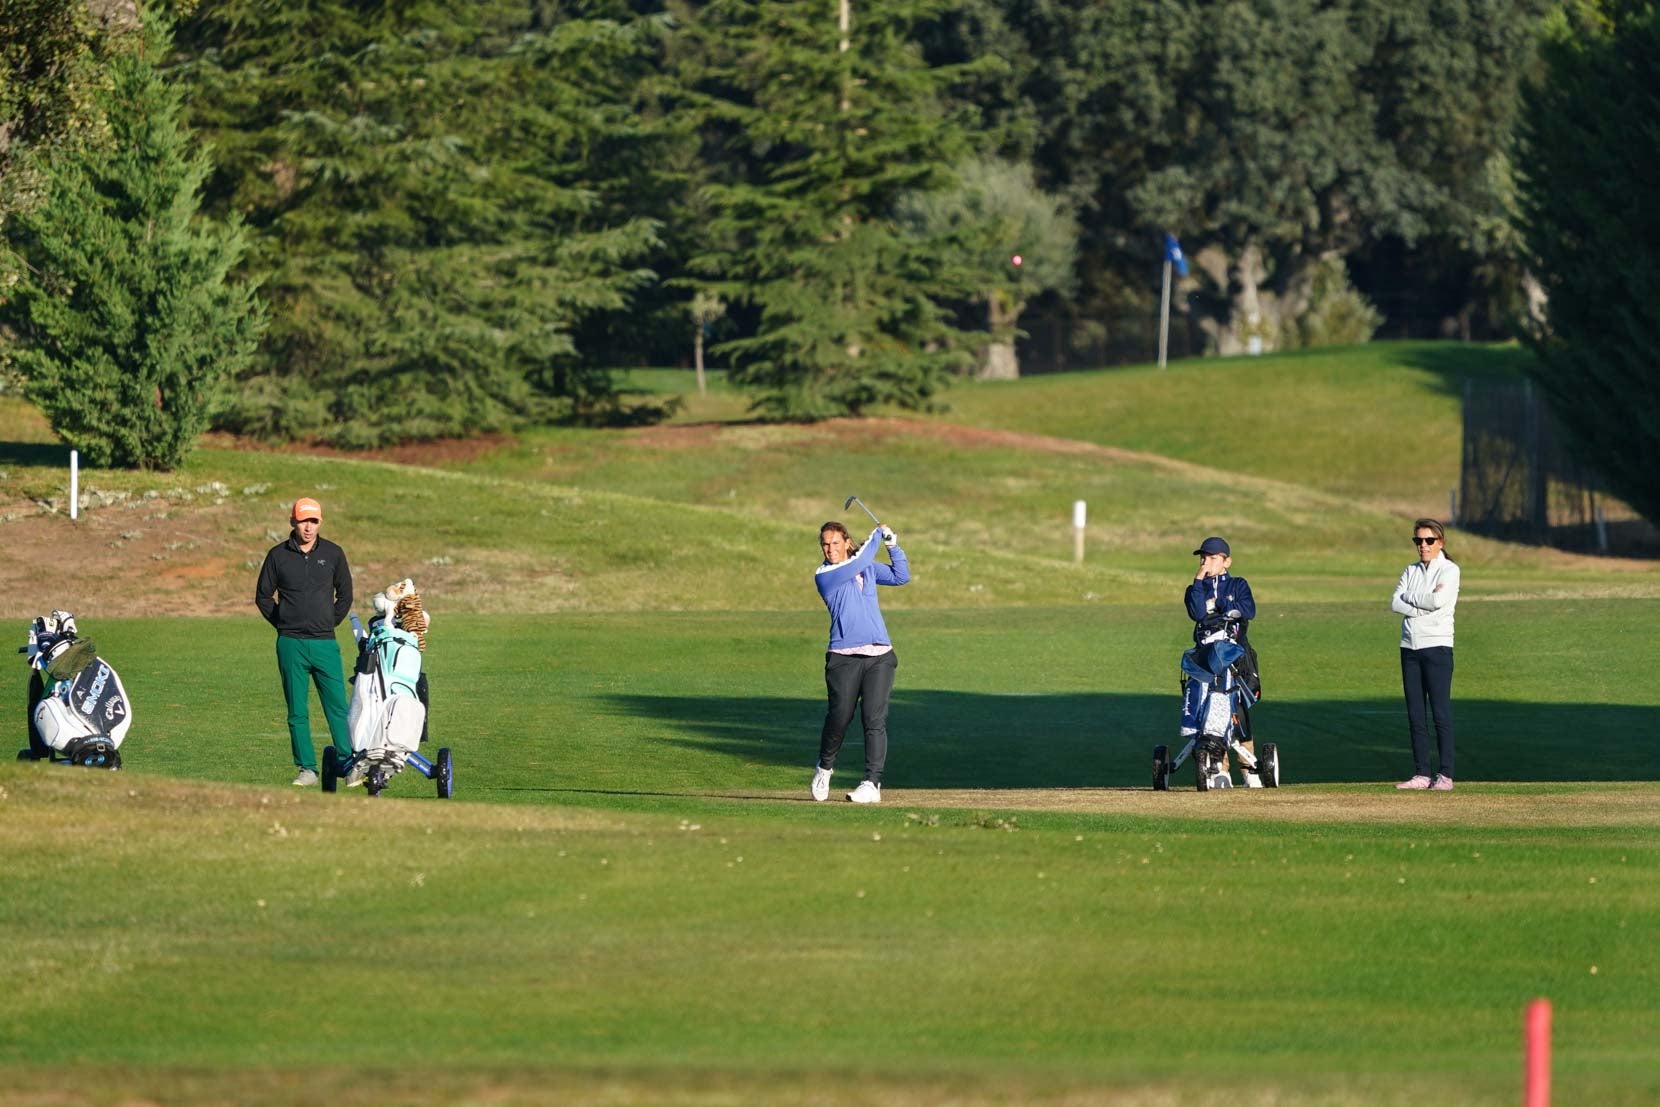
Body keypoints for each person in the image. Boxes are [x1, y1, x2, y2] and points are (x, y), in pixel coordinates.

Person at [254, 496, 354, 786]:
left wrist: (328, 621)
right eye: (302, 521)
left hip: (325, 643)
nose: (308, 527)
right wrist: (284, 622)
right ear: (292, 522)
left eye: (313, 521)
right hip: (290, 644)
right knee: (297, 710)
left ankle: (348, 766)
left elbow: (345, 595)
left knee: (337, 706)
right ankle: (307, 768)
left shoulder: (334, 554)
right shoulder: (277, 555)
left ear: (320, 522)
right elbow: (263, 596)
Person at [810, 520, 909, 804]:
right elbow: (863, 557)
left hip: (880, 656)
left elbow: (901, 576)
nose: (830, 549)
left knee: (874, 720)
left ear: (847, 542)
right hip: (844, 657)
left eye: (835, 543)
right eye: (825, 544)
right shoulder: (826, 574)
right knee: (840, 717)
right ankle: (825, 767)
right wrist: (877, 535)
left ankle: (871, 783)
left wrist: (892, 545)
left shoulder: (863, 566)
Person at [1181, 536, 1259, 781]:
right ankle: (1219, 769)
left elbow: (1248, 611)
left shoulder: (1238, 584)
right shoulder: (1195, 588)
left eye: (1213, 558)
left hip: (1238, 658)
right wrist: (1198, 582)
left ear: (1226, 561)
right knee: (1209, 709)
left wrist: (1220, 602)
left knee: (1238, 711)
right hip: (1207, 659)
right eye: (1203, 558)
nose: (1207, 562)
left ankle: (1249, 771)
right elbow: (1198, 613)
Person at [1392, 518, 1460, 791]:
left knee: (1440, 713)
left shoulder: (1450, 570)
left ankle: (1445, 775)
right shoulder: (1410, 570)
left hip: (1438, 647)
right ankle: (1421, 773)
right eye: (1418, 541)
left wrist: (1413, 599)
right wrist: (1419, 603)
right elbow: (1395, 601)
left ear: (1440, 542)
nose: (1423, 545)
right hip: (1410, 647)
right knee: (1416, 714)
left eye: (1429, 540)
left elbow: (1438, 601)